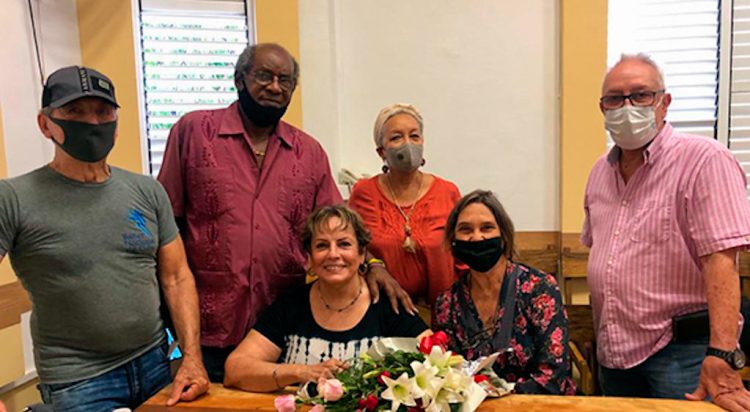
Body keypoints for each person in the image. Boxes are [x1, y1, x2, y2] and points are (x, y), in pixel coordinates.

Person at [158, 43, 415, 382]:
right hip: (206, 330)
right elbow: (165, 227)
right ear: (239, 79)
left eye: (286, 80)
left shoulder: (307, 152)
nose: (275, 87)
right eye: (264, 75)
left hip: (279, 330)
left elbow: (341, 229)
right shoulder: (193, 133)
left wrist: (376, 264)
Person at [0, 66, 208, 412]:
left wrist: (192, 357)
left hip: (156, 365)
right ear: (45, 124)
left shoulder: (147, 191)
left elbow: (176, 277)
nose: (93, 122)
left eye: (103, 111)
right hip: (78, 381)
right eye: (74, 112)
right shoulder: (13, 198)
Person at [582, 54, 750, 408]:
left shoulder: (704, 161)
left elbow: (722, 262)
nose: (626, 107)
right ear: (602, 108)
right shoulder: (599, 171)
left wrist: (722, 353)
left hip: (682, 353)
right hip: (614, 354)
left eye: (640, 95)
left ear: (664, 102)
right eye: (615, 98)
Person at [224, 205, 430, 392]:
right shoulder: (291, 305)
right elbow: (235, 370)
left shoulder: (387, 304)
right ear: (310, 258)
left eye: (344, 244)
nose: (333, 254)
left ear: (361, 254)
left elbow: (440, 364)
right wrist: (301, 372)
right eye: (322, 246)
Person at [432, 190, 576, 395]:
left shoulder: (539, 289)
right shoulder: (446, 304)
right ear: (453, 240)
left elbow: (553, 374)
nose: (476, 237)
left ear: (504, 236)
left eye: (487, 228)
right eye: (465, 229)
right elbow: (448, 376)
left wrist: (502, 399)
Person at [348, 103, 461, 305]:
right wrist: (374, 264)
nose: (407, 144)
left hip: (441, 311)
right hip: (383, 312)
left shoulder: (448, 192)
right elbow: (352, 244)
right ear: (381, 151)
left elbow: (463, 253)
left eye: (414, 136)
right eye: (396, 137)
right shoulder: (364, 193)